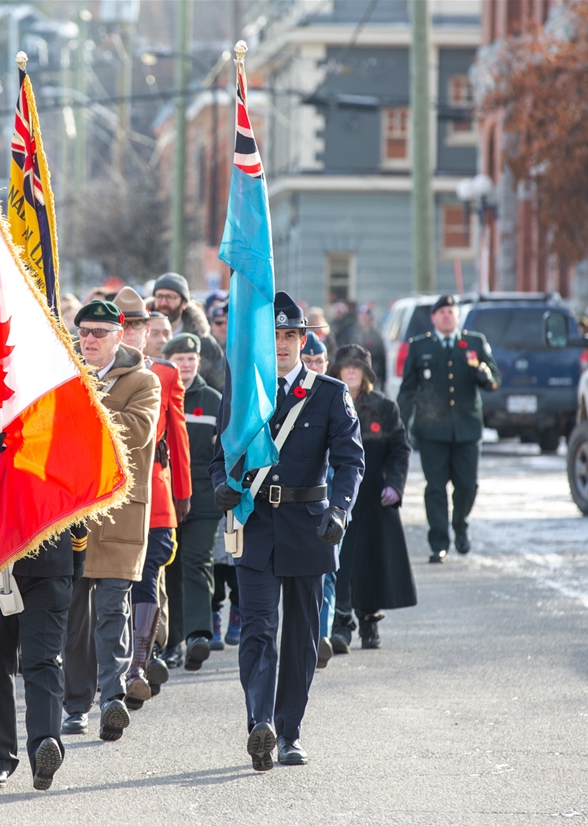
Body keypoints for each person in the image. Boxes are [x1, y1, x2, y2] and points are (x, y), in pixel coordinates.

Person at [210, 291, 364, 771]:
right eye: (273, 336)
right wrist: (221, 486)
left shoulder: (330, 393)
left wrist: (339, 511)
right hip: (256, 524)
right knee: (257, 628)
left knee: (300, 637)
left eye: (290, 336)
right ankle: (261, 724)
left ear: (303, 340)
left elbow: (350, 460)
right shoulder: (243, 393)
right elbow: (221, 455)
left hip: (309, 527)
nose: (281, 344)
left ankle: (289, 730)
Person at [0, 408, 86, 791]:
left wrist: (76, 555)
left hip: (47, 552)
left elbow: (78, 481)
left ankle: (45, 744)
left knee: (43, 659)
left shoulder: (61, 410)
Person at [62, 299, 160, 742]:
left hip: (120, 512)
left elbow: (138, 433)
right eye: (85, 332)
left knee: (111, 610)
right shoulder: (65, 377)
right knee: (73, 616)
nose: (91, 339)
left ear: (120, 337)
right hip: (72, 511)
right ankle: (76, 705)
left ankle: (112, 698)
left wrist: (84, 407)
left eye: (101, 332)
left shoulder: (145, 381)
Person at [112, 287, 190, 706]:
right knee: (109, 583)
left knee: (148, 572)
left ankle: (139, 663)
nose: (133, 333)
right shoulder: (90, 370)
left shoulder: (164, 374)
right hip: (105, 490)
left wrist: (183, 491)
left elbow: (176, 434)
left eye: (140, 325)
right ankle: (115, 661)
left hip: (152, 486)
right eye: (126, 326)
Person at [396, 295, 501, 563]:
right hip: (432, 430)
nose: (446, 316)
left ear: (457, 316)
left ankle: (461, 527)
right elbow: (408, 390)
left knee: (467, 484)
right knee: (435, 487)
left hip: (467, 428)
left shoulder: (474, 342)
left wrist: (484, 375)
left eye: (450, 311)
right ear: (433, 318)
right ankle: (438, 542)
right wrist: (398, 425)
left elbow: (494, 380)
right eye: (441, 312)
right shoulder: (420, 347)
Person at [328, 344, 416, 651]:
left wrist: (395, 485)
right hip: (339, 498)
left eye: (357, 367)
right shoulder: (328, 402)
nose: (351, 371)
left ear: (366, 373)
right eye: (346, 366)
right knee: (340, 562)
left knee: (372, 562)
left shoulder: (385, 407)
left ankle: (369, 623)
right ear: (337, 371)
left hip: (375, 499)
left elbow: (400, 449)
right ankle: (341, 624)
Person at [162, 332, 225, 666]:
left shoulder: (213, 400)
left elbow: (225, 450)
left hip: (202, 495)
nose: (185, 365)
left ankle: (198, 634)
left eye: (191, 359)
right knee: (169, 567)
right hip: (164, 495)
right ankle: (172, 642)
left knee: (197, 561)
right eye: (179, 359)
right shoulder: (158, 394)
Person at [300, 333, 338, 666]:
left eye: (318, 361)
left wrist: (342, 506)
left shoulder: (333, 394)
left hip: (333, 502)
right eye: (308, 360)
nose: (313, 366)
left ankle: (321, 635)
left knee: (328, 571)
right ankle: (312, 635)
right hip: (302, 503)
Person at [151, 273, 225, 391]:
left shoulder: (204, 343)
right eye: (159, 297)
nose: (163, 303)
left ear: (184, 303)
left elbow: (220, 386)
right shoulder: (141, 337)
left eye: (170, 297)